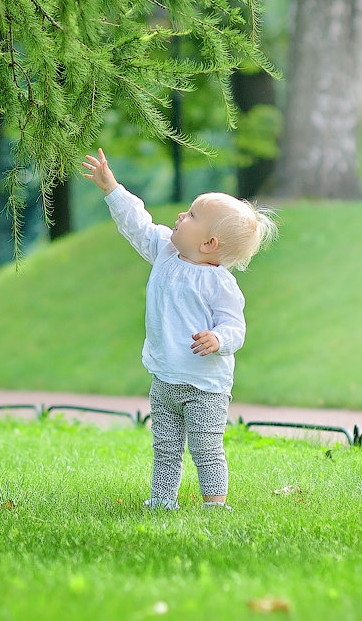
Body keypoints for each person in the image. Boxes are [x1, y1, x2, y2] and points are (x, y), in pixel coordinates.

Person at [82, 148, 277, 511]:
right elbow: (136, 224)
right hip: (165, 377)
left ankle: (215, 503)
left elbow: (235, 326)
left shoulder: (219, 284)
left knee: (206, 447)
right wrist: (112, 189)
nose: (180, 215)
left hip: (205, 386)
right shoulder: (165, 252)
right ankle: (161, 499)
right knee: (166, 447)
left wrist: (219, 339)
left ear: (208, 244)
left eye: (191, 215)